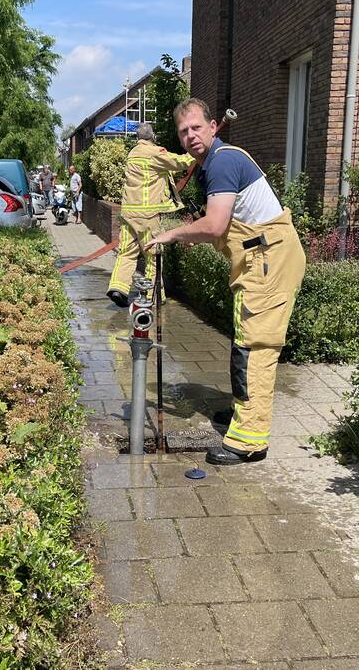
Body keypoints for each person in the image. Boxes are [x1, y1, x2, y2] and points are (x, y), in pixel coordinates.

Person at [145, 98, 306, 466]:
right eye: (184, 131)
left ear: (213, 127)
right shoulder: (212, 165)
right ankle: (242, 414)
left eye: (197, 127)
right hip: (260, 259)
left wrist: (173, 235)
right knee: (244, 340)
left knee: (254, 347)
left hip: (269, 261)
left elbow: (215, 225)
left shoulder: (223, 162)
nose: (191, 135)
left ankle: (249, 440)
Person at [106, 123, 194, 308]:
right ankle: (154, 296)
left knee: (127, 252)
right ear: (152, 136)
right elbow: (180, 162)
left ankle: (118, 288)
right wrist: (197, 151)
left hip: (129, 212)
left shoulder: (133, 153)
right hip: (147, 214)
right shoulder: (154, 152)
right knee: (153, 255)